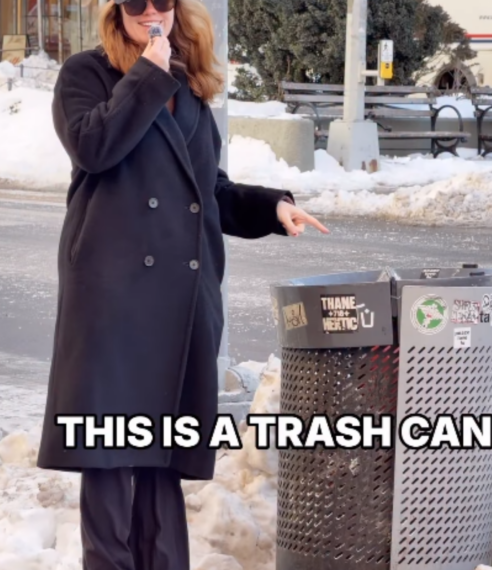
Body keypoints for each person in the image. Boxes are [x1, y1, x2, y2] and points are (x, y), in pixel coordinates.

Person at [37, 0, 329, 567]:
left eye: (162, 2)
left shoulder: (190, 85)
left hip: (180, 296)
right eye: (135, 3)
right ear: (116, 11)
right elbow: (94, 148)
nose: (151, 12)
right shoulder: (86, 73)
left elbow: (208, 192)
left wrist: (273, 208)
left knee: (161, 459)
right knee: (109, 453)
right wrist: (146, 72)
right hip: (112, 296)